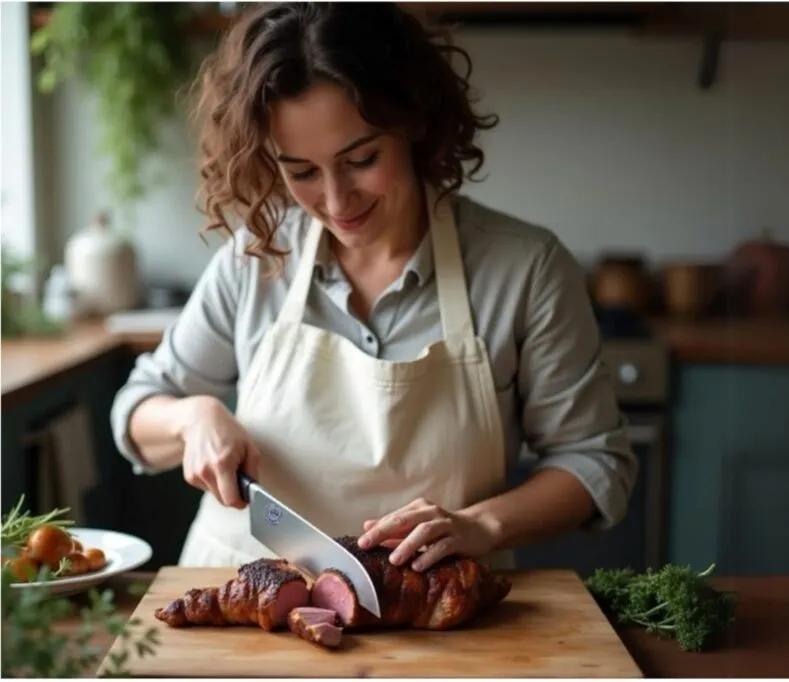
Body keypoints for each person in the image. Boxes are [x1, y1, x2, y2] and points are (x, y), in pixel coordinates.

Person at [109, 1, 637, 573]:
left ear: (415, 123)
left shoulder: (525, 269)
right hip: (245, 595)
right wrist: (192, 419)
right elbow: (137, 412)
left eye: (361, 159)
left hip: (440, 616)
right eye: (302, 172)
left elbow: (593, 462)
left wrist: (482, 525)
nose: (337, 203)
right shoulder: (257, 258)